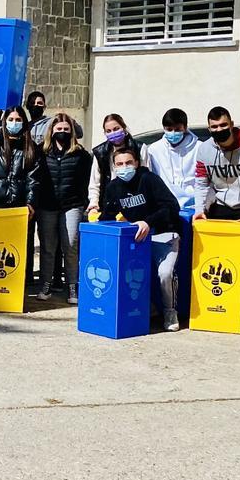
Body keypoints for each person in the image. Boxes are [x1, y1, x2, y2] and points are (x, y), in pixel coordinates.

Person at [100, 147, 184, 331]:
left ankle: (170, 312)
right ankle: (145, 308)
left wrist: (148, 222)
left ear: (137, 163)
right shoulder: (113, 187)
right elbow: (107, 215)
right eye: (119, 164)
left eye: (128, 163)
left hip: (165, 235)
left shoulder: (149, 179)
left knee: (165, 274)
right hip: (138, 239)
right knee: (131, 275)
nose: (124, 167)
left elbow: (171, 207)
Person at [193, 106, 240, 313]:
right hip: (222, 206)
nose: (219, 129)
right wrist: (200, 209)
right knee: (219, 256)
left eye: (223, 125)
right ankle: (222, 298)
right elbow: (201, 182)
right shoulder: (205, 149)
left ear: (231, 124)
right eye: (214, 127)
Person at [35, 113, 93, 305]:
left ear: (72, 132)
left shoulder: (81, 155)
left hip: (72, 206)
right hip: (47, 206)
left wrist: (84, 203)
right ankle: (45, 284)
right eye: (59, 129)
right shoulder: (41, 152)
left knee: (71, 246)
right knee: (48, 248)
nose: (62, 133)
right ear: (51, 131)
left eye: (66, 130)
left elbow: (87, 181)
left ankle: (72, 286)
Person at [0, 105, 40, 215]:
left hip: (22, 208)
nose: (14, 123)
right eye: (11, 119)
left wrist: (30, 203)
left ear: (23, 122)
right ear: (5, 122)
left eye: (18, 120)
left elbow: (33, 180)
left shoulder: (31, 148)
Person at [87, 113, 149, 217]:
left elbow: (147, 178)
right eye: (108, 131)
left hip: (134, 201)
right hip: (109, 202)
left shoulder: (139, 148)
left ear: (124, 128)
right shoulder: (100, 152)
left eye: (116, 129)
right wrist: (94, 204)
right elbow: (95, 183)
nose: (113, 133)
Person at [147, 108, 200, 210]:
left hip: (193, 205)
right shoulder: (154, 150)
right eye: (169, 129)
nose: (173, 133)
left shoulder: (199, 148)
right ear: (164, 128)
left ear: (185, 128)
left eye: (177, 129)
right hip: (165, 206)